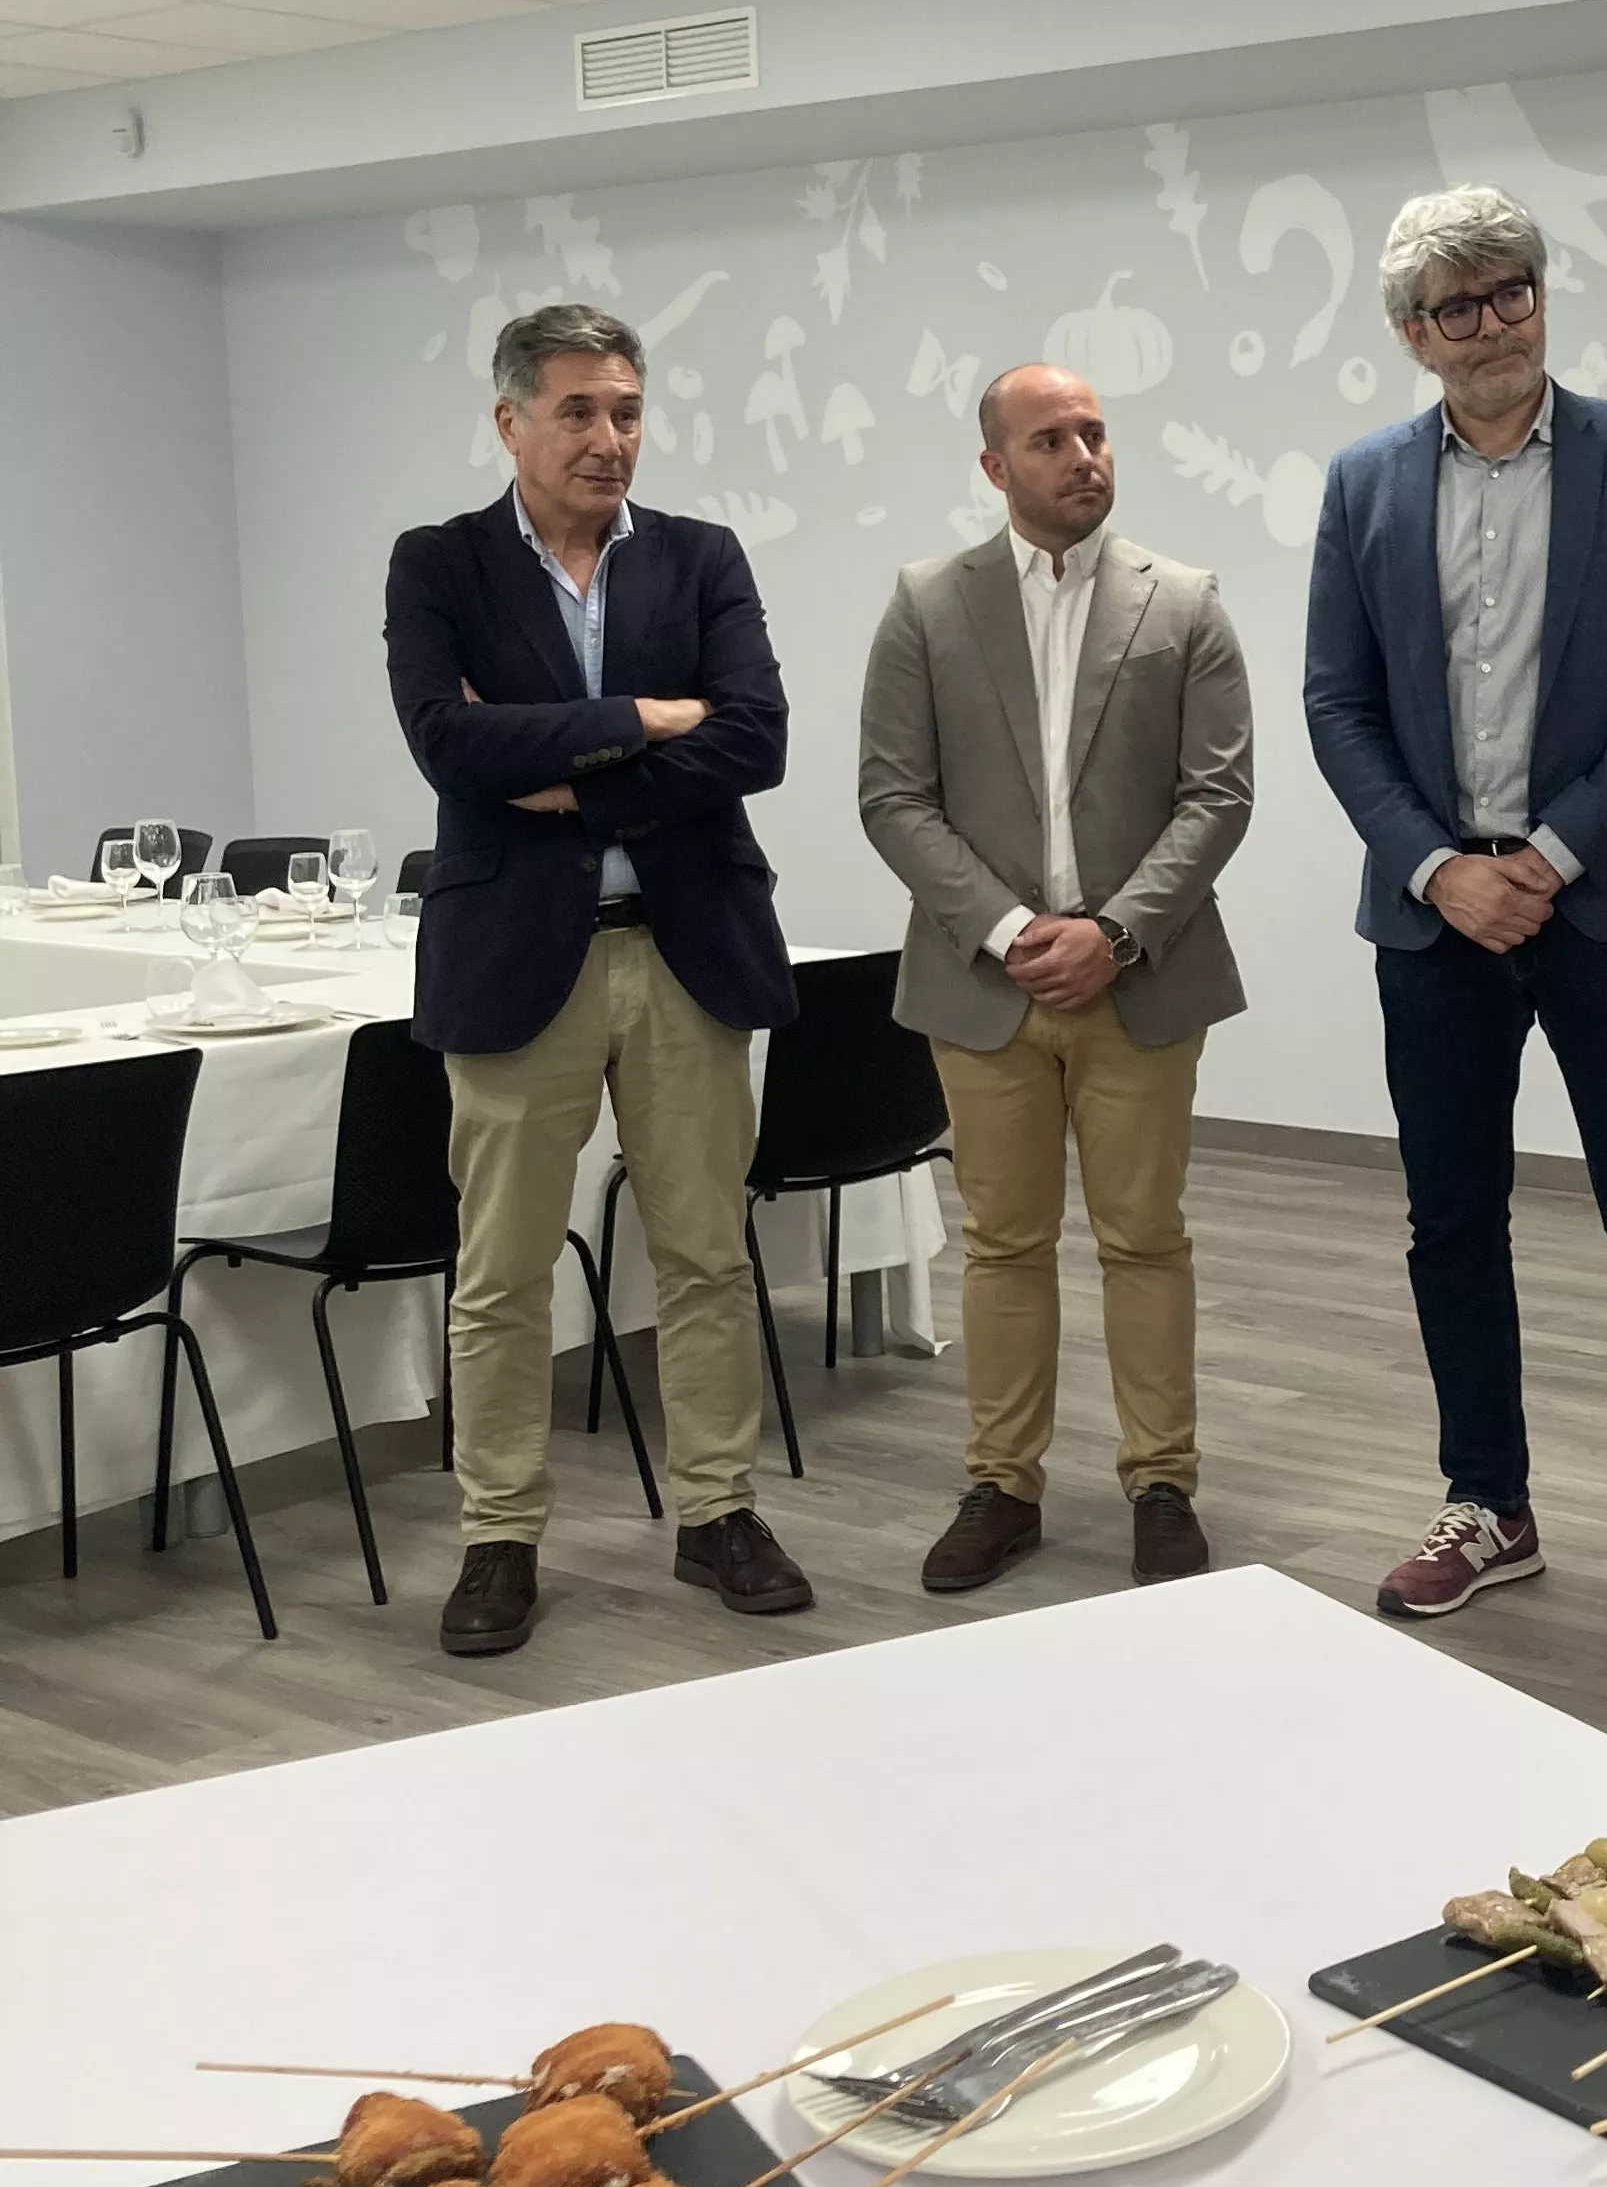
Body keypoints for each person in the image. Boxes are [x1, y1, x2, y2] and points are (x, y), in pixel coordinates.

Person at [1301, 182, 1607, 1645]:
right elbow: (1338, 702)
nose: (1495, 322)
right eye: (1461, 306)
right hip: (1436, 912)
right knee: (1453, 1220)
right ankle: (1486, 1503)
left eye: (1513, 291)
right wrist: (1443, 867)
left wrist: (1551, 857)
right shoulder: (1365, 484)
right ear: (1411, 335)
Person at [385, 300, 813, 1660]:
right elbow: (449, 745)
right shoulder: (439, 564)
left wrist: (571, 784)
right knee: (503, 1272)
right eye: (577, 411)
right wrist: (639, 716)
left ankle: (716, 1511)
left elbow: (758, 738)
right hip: (519, 964)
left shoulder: (699, 557)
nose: (608, 438)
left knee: (702, 1255)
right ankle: (499, 1534)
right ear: (511, 420)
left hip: (685, 955)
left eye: (626, 411)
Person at [858, 359, 1252, 1591]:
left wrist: (1114, 932)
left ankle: (1163, 1484)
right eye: (1051, 440)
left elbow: (1218, 796)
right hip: (988, 989)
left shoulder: (1184, 603)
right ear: (995, 467)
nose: (1085, 456)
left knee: (1145, 1240)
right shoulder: (928, 605)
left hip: (1142, 980)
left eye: (1095, 434)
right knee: (1002, 1245)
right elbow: (892, 796)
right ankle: (1001, 1483)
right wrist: (1013, 926)